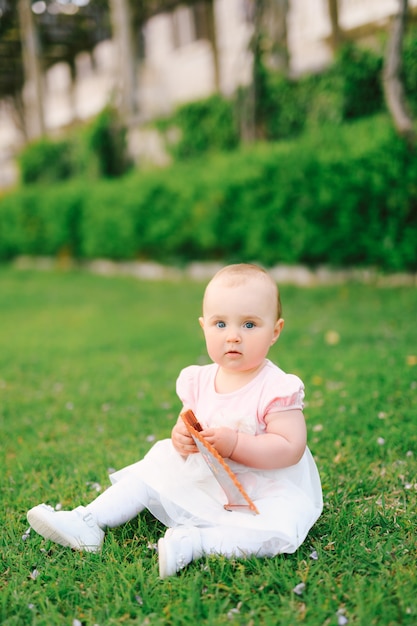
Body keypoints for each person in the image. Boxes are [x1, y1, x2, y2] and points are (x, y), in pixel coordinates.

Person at [27, 263, 322, 578]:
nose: (233, 337)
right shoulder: (198, 380)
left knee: (276, 530)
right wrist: (182, 437)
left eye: (249, 325)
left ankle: (195, 543)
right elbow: (186, 425)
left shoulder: (277, 388)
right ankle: (88, 521)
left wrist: (236, 443)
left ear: (275, 331)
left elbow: (290, 447)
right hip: (208, 476)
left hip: (263, 488)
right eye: (220, 324)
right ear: (203, 327)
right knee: (155, 467)